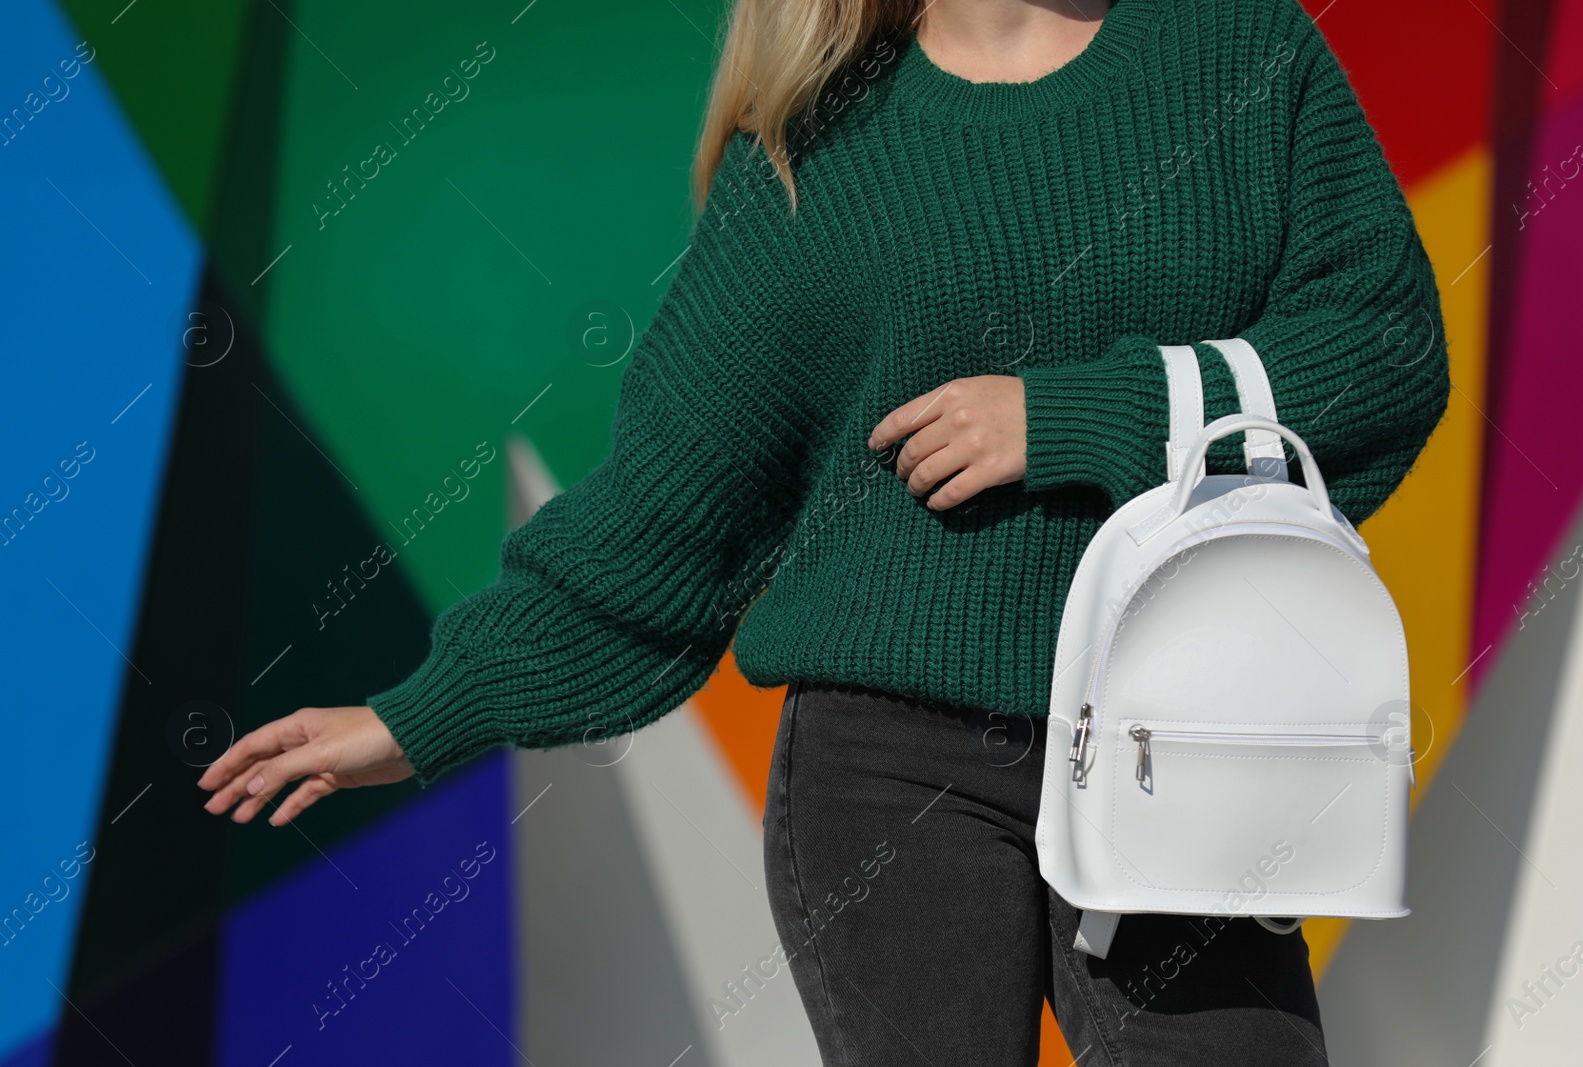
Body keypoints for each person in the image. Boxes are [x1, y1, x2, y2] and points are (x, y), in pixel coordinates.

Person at [200, 0, 1450, 1061]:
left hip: (1187, 745)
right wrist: (422, 714)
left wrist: (1075, 415)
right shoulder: (813, 145)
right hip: (889, 774)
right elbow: (663, 514)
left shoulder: (1235, 47)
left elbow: (1383, 348)